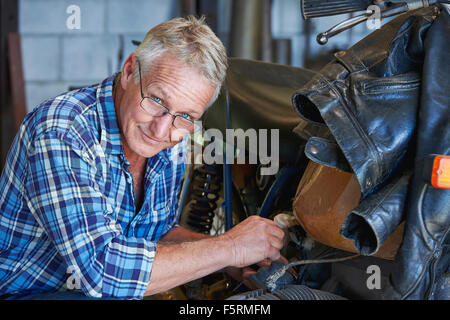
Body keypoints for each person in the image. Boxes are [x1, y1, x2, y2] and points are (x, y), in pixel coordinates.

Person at [0, 16, 284, 300]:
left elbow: (153, 233)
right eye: (157, 100)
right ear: (129, 71)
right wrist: (229, 247)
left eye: (185, 116)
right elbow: (102, 272)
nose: (161, 129)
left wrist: (229, 259)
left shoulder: (172, 137)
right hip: (29, 292)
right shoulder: (63, 132)